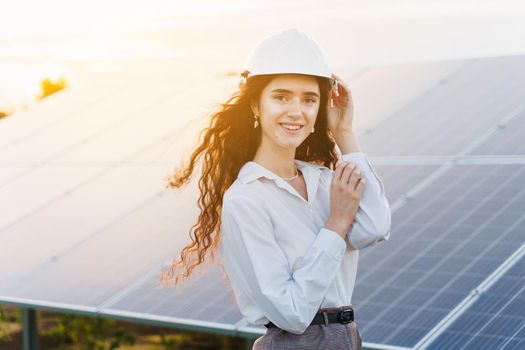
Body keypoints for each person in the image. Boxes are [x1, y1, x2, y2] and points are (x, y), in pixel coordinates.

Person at [160, 28, 391, 350]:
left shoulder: (325, 180)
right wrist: (336, 223)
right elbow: (292, 314)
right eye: (281, 96)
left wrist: (345, 133)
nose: (296, 111)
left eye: (309, 99)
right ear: (255, 105)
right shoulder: (246, 199)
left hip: (347, 338)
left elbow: (374, 229)